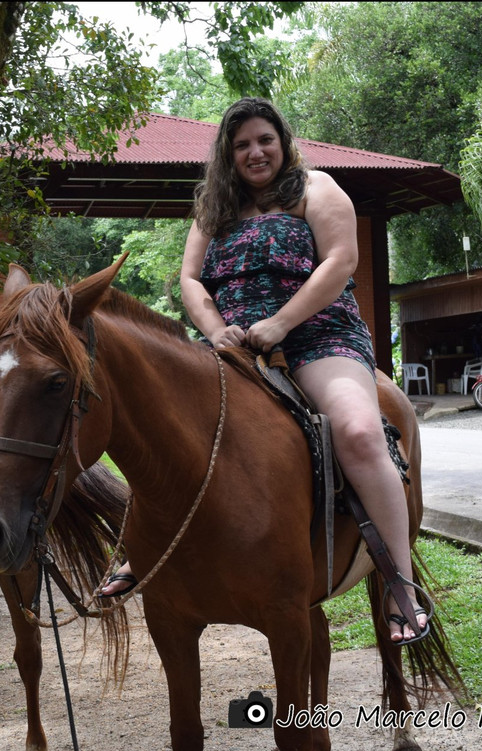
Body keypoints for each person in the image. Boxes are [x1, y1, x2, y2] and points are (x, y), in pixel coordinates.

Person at [102, 98, 427, 645]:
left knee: (359, 432)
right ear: (227, 155)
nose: (255, 152)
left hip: (318, 337)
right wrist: (214, 330)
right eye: (242, 145)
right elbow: (191, 280)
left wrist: (281, 322)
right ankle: (142, 548)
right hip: (233, 348)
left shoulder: (317, 189)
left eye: (264, 140)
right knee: (166, 427)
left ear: (283, 142)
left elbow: (340, 261)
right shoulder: (214, 208)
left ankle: (401, 583)